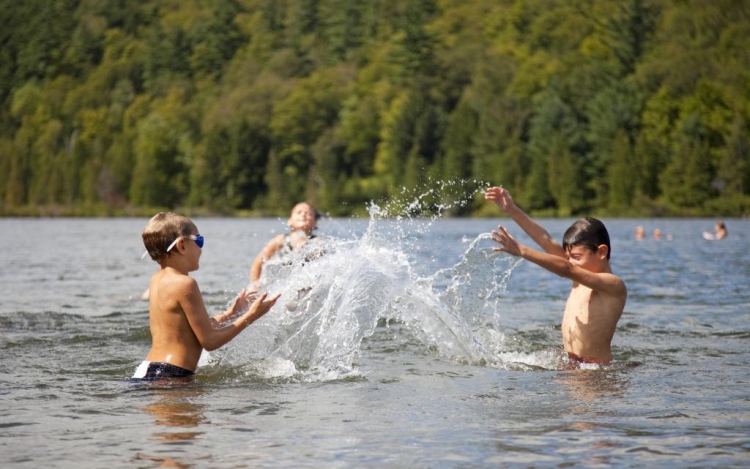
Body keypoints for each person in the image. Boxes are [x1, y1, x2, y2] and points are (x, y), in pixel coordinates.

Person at [485, 187, 627, 366]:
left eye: (576, 257)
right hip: (571, 365)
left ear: (601, 252)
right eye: (568, 257)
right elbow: (545, 239)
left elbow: (567, 269)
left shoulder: (613, 285)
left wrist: (521, 250)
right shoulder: (579, 276)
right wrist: (512, 210)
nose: (571, 261)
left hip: (596, 372)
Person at [134, 212, 281, 381]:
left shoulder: (157, 279)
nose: (201, 249)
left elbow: (187, 331)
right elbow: (210, 342)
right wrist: (251, 316)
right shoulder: (185, 283)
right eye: (199, 241)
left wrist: (230, 314)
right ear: (182, 245)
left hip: (148, 369)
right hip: (170, 376)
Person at [249, 202, 322, 290]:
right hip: (282, 284)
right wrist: (254, 285)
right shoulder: (280, 240)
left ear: (315, 222)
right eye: (299, 212)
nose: (303, 214)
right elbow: (258, 262)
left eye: (309, 213)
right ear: (289, 221)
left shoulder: (317, 243)